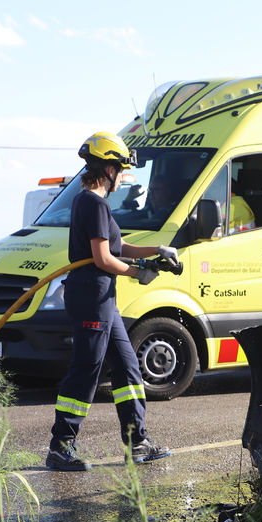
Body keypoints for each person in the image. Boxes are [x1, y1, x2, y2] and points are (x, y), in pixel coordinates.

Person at [46, 132, 178, 471]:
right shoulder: (93, 202)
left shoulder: (91, 202)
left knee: (127, 366)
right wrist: (138, 273)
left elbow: (119, 246)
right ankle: (61, 447)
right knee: (86, 371)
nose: (123, 175)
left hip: (101, 299)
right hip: (92, 298)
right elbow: (104, 258)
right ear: (108, 169)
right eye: (121, 168)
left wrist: (156, 251)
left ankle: (138, 442)